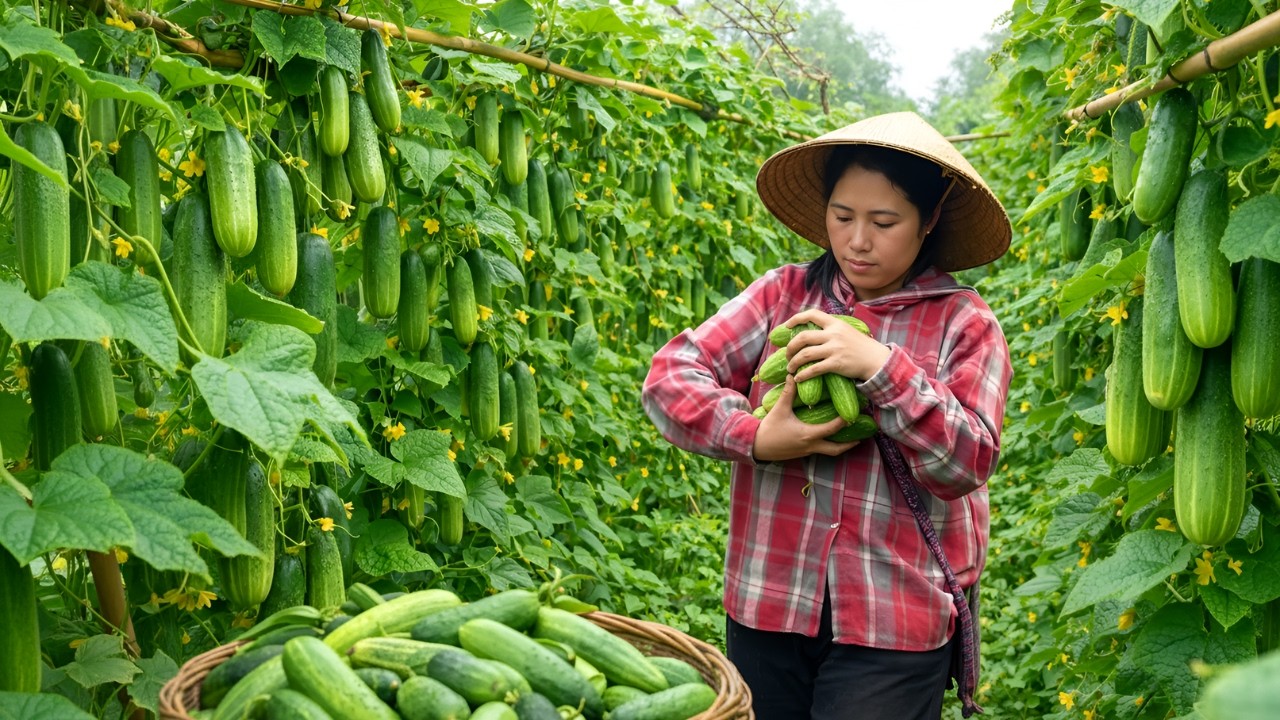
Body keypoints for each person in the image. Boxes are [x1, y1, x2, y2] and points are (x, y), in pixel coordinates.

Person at [641, 112, 1013, 720]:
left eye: (884, 221)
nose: (857, 241)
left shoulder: (965, 324)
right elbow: (669, 379)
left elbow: (968, 461)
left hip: (894, 617)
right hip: (768, 602)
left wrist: (880, 368)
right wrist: (760, 436)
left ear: (929, 220)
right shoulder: (781, 298)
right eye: (842, 217)